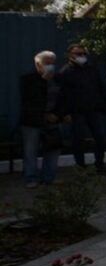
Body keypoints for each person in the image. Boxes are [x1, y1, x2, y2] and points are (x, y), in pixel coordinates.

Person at [57, 42, 106, 174]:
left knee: (99, 137)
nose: (81, 56)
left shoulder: (91, 69)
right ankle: (81, 167)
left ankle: (99, 165)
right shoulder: (65, 73)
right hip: (76, 112)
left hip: (92, 109)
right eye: (78, 54)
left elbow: (100, 87)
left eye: (83, 54)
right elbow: (61, 96)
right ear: (70, 55)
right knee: (78, 140)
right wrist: (64, 113)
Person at [19, 51, 64, 189]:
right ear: (38, 64)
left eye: (52, 63)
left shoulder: (57, 79)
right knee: (31, 151)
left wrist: (59, 114)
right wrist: (43, 80)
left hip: (53, 120)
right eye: (47, 63)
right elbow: (29, 100)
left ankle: (49, 177)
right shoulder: (28, 79)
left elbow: (62, 99)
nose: (50, 66)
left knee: (53, 150)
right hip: (32, 121)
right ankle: (31, 178)